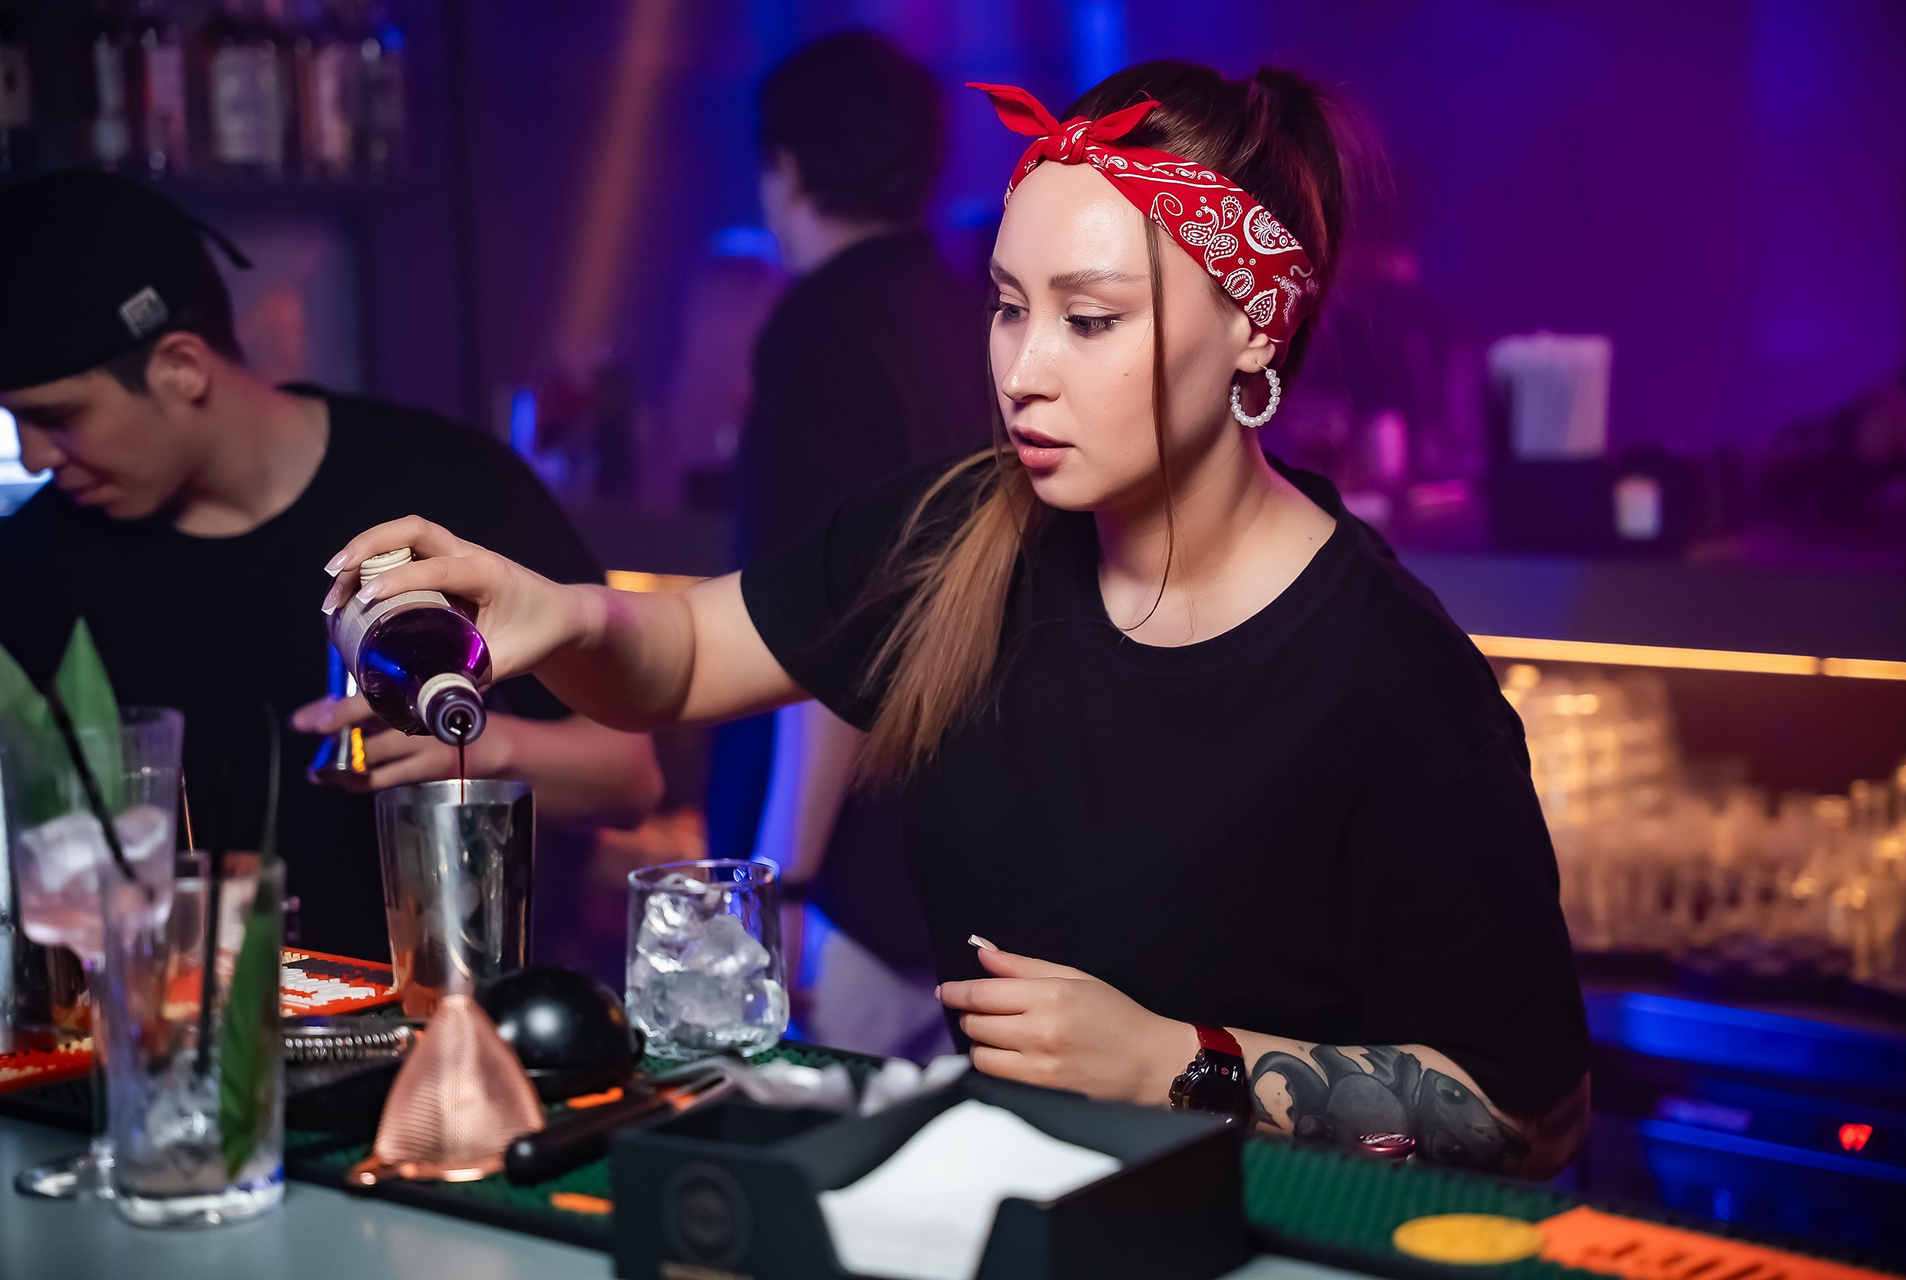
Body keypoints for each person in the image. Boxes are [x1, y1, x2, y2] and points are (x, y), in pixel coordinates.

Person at [325, 62, 1591, 1176]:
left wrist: (1177, 1059)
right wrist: (558, 613)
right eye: (1006, 304)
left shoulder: (1388, 675)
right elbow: (693, 655)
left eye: (1088, 318)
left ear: (1254, 328)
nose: (1022, 369)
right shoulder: (960, 533)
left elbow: (1529, 1112)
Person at [0, 170, 662, 965]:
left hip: (452, 1010)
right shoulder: (35, 561)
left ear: (181, 368)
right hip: (186, 1026)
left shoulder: (446, 483)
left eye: (57, 417)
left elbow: (631, 778)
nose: (35, 457)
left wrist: (477, 749)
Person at [715, 31, 986, 1059]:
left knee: (809, 1141)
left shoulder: (822, 327)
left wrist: (784, 882)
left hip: (848, 882)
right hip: (957, 857)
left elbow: (821, 628)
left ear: (785, 170)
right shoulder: (970, 311)